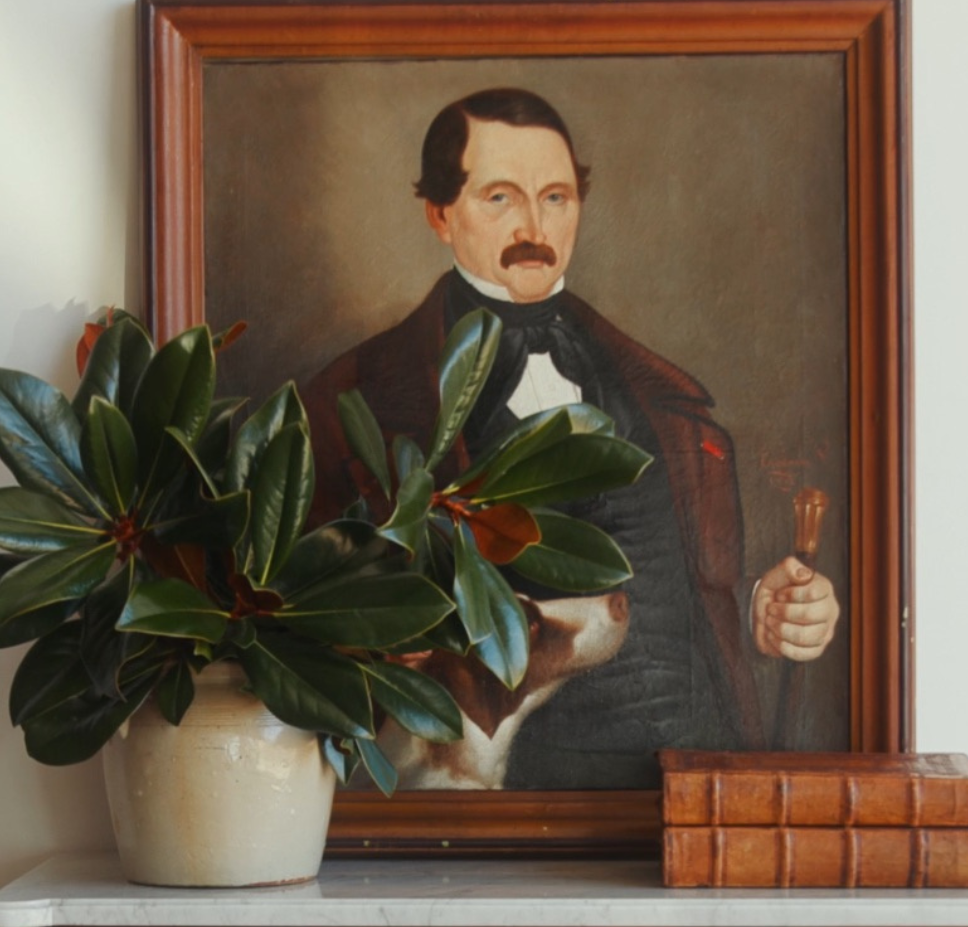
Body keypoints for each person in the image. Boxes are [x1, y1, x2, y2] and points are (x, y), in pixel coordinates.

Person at [302, 87, 839, 789]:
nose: (533, 224)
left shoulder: (667, 403)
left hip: (691, 783)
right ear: (440, 213)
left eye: (555, 197)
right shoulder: (355, 403)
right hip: (515, 800)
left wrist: (763, 618)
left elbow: (695, 600)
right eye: (500, 198)